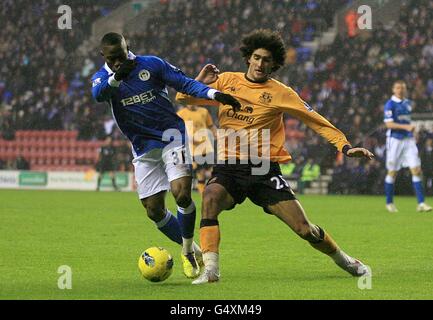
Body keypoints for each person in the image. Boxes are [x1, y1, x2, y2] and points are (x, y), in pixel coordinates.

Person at [176, 29, 374, 284]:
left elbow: (316, 121)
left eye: (266, 59)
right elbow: (184, 97)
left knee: (304, 229)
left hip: (263, 169)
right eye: (256, 57)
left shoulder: (281, 93)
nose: (260, 63)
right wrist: (200, 80)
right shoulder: (226, 81)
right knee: (210, 198)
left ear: (274, 63)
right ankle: (211, 270)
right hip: (229, 167)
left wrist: (345, 147)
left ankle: (345, 260)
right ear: (248, 58)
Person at [91, 32, 241, 279]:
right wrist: (117, 75)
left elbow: (184, 83)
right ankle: (192, 247)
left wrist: (214, 94)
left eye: (121, 55)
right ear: (103, 56)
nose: (118, 61)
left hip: (172, 137)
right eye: (112, 58)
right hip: (143, 148)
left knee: (181, 194)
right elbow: (99, 95)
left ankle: (186, 251)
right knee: (153, 211)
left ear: (128, 47)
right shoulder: (102, 77)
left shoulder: (152, 64)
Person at [383, 80, 432, 213]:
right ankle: (389, 203)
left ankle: (421, 203)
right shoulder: (390, 104)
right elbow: (389, 125)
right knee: (392, 172)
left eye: (403, 88)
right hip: (395, 140)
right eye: (398, 88)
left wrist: (412, 131)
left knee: (416, 170)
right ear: (393, 89)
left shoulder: (408, 103)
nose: (401, 90)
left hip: (408, 140)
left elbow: (407, 121)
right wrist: (406, 127)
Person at [177, 105, 216, 194]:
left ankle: (213, 193)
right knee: (201, 174)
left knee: (212, 172)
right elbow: (178, 129)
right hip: (194, 149)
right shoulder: (181, 114)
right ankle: (203, 196)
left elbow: (210, 125)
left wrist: (215, 134)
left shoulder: (204, 111)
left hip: (207, 147)